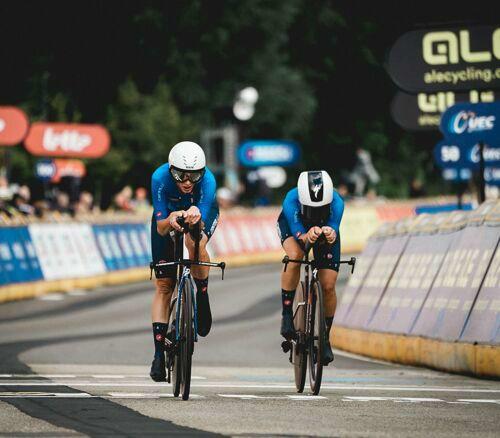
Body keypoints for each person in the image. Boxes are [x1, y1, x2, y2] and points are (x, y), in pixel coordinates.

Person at [149, 141, 219, 382]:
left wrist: (194, 215)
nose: (188, 182)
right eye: (181, 175)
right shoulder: (159, 178)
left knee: (195, 243)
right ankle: (158, 354)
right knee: (164, 286)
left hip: (200, 212)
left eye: (194, 176)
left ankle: (202, 292)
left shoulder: (208, 182)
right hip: (168, 214)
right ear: (171, 170)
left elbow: (200, 222)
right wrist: (170, 218)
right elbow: (160, 228)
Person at [276, 170, 344, 365]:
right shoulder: (291, 199)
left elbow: (334, 228)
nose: (316, 211)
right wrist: (306, 235)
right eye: (311, 208)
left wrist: (330, 232)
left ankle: (325, 336)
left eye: (321, 208)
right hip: (294, 226)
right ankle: (287, 314)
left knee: (328, 285)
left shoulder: (337, 202)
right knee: (295, 256)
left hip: (324, 228)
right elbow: (301, 236)